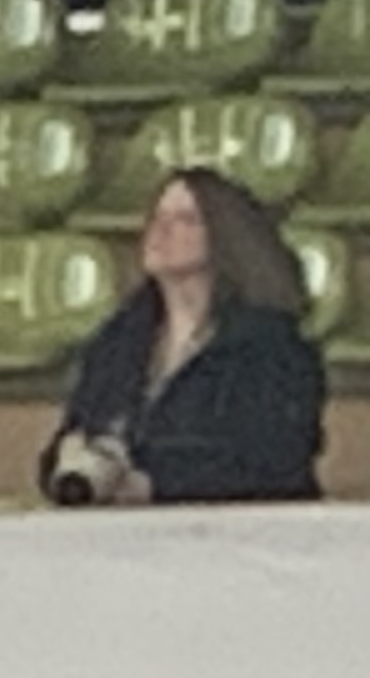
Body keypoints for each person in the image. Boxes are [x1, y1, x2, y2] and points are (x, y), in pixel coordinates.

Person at [42, 166, 327, 507]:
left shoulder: (272, 348)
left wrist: (155, 483)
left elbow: (274, 459)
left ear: (224, 236)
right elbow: (74, 432)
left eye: (186, 220)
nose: (162, 231)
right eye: (157, 218)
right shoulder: (117, 343)